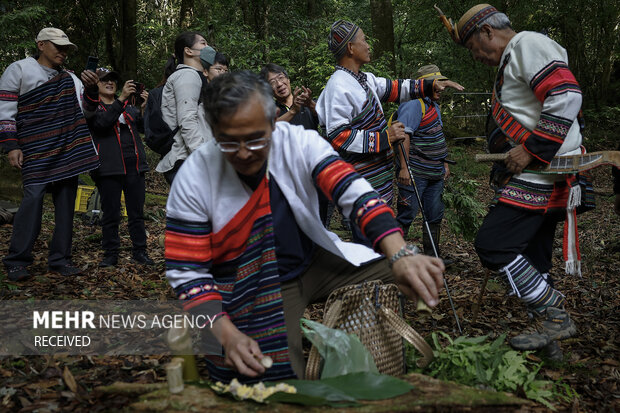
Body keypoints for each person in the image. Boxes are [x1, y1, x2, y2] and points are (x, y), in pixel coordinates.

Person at [165, 71, 445, 383]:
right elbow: (189, 272)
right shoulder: (194, 178)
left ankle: (367, 349)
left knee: (401, 264)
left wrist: (400, 253)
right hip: (260, 284)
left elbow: (352, 191)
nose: (244, 153)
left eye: (256, 139)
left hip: (313, 259)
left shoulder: (296, 143)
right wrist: (226, 335)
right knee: (271, 377)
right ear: (214, 132)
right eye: (230, 142)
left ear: (274, 123)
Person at [445, 4, 585, 352]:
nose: (475, 56)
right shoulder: (514, 56)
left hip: (541, 170)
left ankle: (553, 313)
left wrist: (532, 149)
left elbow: (566, 95)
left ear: (487, 32)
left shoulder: (527, 45)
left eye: (473, 48)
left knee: (493, 245)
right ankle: (549, 339)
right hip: (538, 173)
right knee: (536, 256)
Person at [316, 20, 463, 246]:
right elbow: (338, 136)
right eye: (363, 40)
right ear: (350, 48)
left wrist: (429, 85)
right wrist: (386, 137)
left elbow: (396, 88)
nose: (368, 45)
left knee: (377, 242)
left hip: (377, 183)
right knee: (369, 246)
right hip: (361, 186)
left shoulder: (364, 79)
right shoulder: (339, 86)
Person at [0, 28, 100, 281]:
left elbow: (86, 112)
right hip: (36, 150)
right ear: (41, 44)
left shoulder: (70, 78)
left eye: (66, 48)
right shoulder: (19, 69)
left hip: (68, 151)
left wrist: (91, 90)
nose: (63, 51)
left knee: (66, 207)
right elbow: (5, 110)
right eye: (58, 46)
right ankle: (17, 260)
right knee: (31, 202)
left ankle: (60, 260)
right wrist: (12, 146)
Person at [86, 68, 154, 268]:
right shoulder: (93, 107)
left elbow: (142, 128)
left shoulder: (128, 106)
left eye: (112, 80)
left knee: (136, 213)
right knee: (111, 213)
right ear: (95, 84)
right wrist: (121, 98)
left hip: (134, 166)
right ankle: (110, 254)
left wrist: (145, 107)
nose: (109, 83)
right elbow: (102, 125)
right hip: (108, 167)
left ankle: (140, 251)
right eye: (104, 80)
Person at [395, 64, 453, 257]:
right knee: (406, 215)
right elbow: (404, 136)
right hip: (415, 173)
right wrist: (404, 168)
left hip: (434, 173)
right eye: (437, 84)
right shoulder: (413, 105)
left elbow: (438, 135)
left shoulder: (433, 106)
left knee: (434, 215)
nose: (442, 88)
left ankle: (432, 257)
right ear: (425, 85)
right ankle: (396, 260)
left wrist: (444, 163)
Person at [155, 31, 214, 185]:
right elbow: (187, 119)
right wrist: (202, 155)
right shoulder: (188, 75)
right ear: (188, 51)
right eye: (203, 43)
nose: (208, 47)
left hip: (187, 159)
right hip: (187, 160)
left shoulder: (192, 75)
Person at [259, 63, 319, 131]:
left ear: (288, 79)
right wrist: (293, 111)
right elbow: (267, 129)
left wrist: (311, 105)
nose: (279, 84)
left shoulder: (306, 103)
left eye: (281, 78)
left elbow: (327, 118)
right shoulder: (271, 111)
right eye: (272, 82)